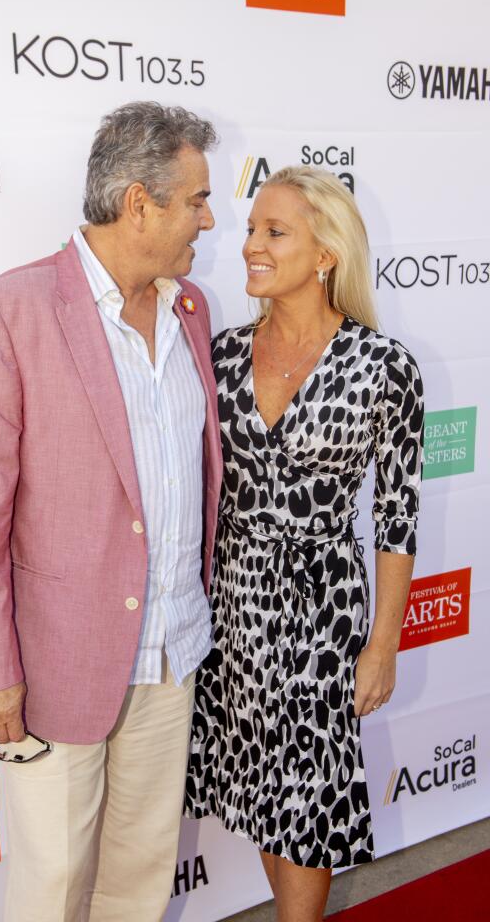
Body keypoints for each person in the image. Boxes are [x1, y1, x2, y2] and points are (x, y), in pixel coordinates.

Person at [0, 101, 223, 922]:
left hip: (172, 651)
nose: (210, 217)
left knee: (139, 878)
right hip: (58, 664)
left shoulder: (191, 311)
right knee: (53, 889)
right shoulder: (6, 313)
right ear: (140, 204)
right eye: (195, 199)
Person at [185, 166, 423, 922]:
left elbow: (397, 515)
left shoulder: (385, 368)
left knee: (310, 792)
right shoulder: (218, 356)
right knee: (261, 779)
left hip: (324, 608)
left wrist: (381, 642)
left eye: (273, 232)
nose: (250, 244)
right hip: (231, 604)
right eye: (252, 228)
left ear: (326, 254)